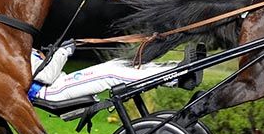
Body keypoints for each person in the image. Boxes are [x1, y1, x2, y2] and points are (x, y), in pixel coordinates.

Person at [28, 40, 198, 102]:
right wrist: (63, 52)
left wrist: (51, 54)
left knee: (118, 64)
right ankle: (178, 77)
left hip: (60, 84)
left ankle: (176, 72)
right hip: (53, 91)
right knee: (111, 74)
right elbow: (46, 75)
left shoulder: (18, 48)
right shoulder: (13, 52)